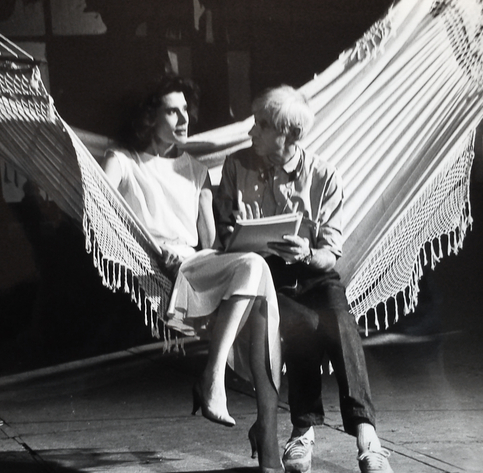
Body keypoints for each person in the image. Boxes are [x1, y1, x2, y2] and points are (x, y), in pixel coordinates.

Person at [101, 74, 284, 472]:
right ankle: (264, 437)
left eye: (186, 110)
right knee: (259, 288)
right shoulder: (122, 162)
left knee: (256, 273)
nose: (184, 118)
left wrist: (243, 231)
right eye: (172, 110)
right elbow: (99, 210)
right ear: (151, 117)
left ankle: (216, 381)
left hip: (197, 263)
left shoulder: (198, 170)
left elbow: (211, 244)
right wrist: (147, 246)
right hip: (160, 264)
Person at [214, 85, 394, 473]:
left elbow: (331, 253)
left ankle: (366, 433)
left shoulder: (324, 176)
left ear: (290, 135)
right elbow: (221, 238)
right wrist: (243, 235)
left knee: (339, 320)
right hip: (262, 276)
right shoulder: (235, 166)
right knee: (301, 324)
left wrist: (307, 253)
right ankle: (303, 431)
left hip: (312, 271)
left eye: (262, 125)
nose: (251, 132)